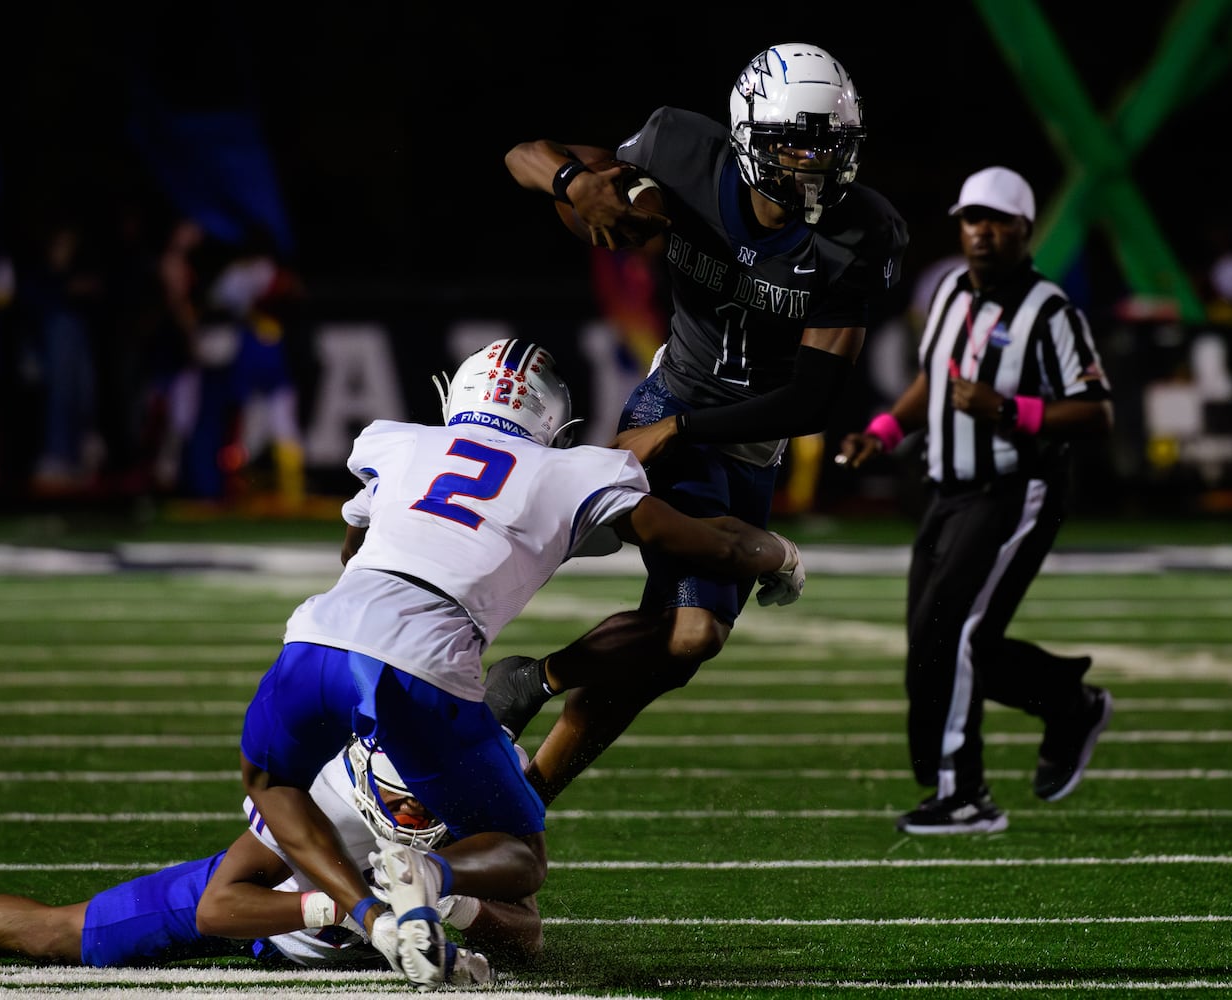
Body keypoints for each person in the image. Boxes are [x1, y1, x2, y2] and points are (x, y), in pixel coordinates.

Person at [231, 337, 806, 988]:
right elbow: (717, 548)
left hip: (313, 638)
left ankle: (361, 910)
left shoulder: (393, 442)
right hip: (427, 668)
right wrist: (780, 554)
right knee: (521, 861)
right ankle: (426, 879)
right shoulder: (572, 472)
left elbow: (352, 546)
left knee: (266, 792)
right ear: (553, 423)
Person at [494, 42, 907, 804]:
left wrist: (682, 434)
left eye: (831, 145)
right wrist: (577, 184)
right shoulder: (681, 153)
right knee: (692, 634)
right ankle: (512, 689)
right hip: (671, 399)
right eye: (796, 142)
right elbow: (526, 153)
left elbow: (812, 401)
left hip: (739, 440)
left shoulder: (860, 235)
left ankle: (526, 783)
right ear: (750, 134)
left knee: (668, 654)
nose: (815, 163)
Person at [836, 166, 1115, 834]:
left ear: (1024, 229)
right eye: (971, 219)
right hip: (946, 489)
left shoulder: (1049, 310)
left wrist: (1010, 410)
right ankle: (1067, 703)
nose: (981, 232)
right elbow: (935, 378)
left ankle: (967, 795)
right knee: (936, 642)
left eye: (996, 221)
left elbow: (1097, 412)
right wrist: (886, 429)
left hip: (1015, 489)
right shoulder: (951, 292)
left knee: (954, 633)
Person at [0, 739, 537, 978]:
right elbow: (220, 904)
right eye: (405, 806)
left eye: (430, 807)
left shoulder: (483, 783)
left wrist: (449, 907)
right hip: (275, 918)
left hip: (364, 941)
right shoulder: (328, 785)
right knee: (59, 935)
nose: (417, 822)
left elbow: (526, 931)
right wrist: (357, 911)